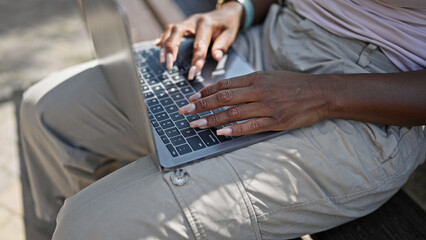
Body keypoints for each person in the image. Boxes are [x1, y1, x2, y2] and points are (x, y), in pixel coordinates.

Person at [20, 0, 425, 239]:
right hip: (271, 35)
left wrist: (321, 94)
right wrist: (240, 8)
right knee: (47, 112)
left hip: (372, 97)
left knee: (91, 227)